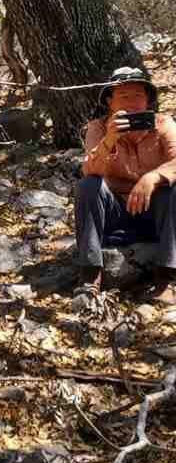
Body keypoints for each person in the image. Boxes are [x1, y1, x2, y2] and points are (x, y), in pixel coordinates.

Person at [76, 66, 176, 294]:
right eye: (123, 96)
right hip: (116, 217)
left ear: (147, 101)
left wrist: (154, 177)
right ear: (110, 102)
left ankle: (167, 275)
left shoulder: (163, 124)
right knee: (88, 185)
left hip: (156, 215)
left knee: (173, 188)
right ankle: (90, 274)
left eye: (138, 96)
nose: (131, 102)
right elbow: (90, 169)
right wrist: (110, 139)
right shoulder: (98, 128)